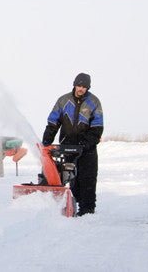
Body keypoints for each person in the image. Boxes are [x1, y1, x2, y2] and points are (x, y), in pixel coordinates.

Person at [42, 72, 103, 216]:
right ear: (74, 85)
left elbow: (97, 128)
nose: (81, 89)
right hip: (68, 147)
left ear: (88, 88)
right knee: (72, 180)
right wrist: (46, 142)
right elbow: (53, 123)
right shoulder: (63, 101)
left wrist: (85, 144)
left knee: (88, 179)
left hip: (87, 150)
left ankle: (88, 211)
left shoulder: (94, 102)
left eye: (84, 86)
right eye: (79, 85)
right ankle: (71, 207)